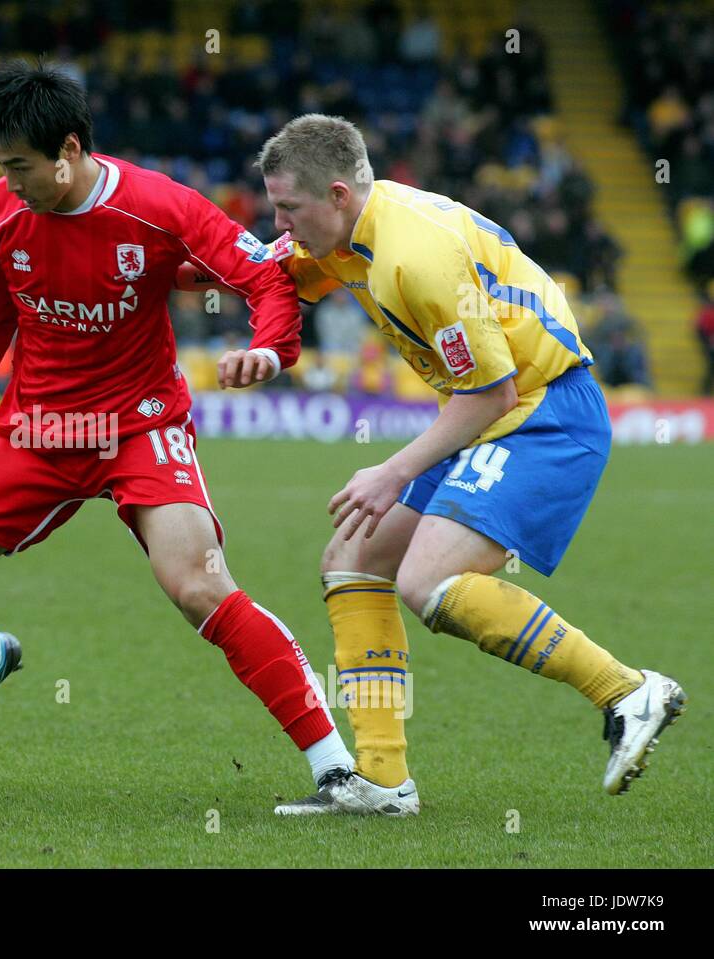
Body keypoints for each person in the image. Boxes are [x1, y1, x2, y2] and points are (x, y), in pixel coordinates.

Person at [181, 114, 685, 815]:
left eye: (287, 207)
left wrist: (390, 471)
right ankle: (384, 781)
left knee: (429, 580)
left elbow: (493, 392)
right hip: (490, 409)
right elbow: (268, 276)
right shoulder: (344, 231)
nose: (279, 222)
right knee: (352, 558)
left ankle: (629, 691)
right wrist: (245, 334)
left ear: (335, 193)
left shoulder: (415, 255)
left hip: (542, 412)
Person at [0, 61, 352, 798]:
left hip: (141, 426)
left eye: (20, 167)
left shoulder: (159, 209)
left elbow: (263, 274)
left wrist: (270, 347)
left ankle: (336, 769)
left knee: (198, 584)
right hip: (37, 428)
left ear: (69, 151)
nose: (8, 183)